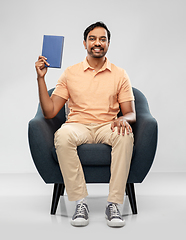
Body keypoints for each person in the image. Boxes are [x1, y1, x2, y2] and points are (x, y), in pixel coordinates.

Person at [35, 21, 136, 228]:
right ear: (84, 43)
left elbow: (131, 113)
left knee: (125, 135)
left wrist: (122, 119)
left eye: (102, 39)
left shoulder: (120, 74)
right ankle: (80, 202)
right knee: (62, 136)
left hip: (108, 126)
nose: (97, 43)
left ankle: (114, 204)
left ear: (108, 44)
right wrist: (41, 79)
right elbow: (49, 112)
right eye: (92, 39)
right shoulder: (70, 73)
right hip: (78, 125)